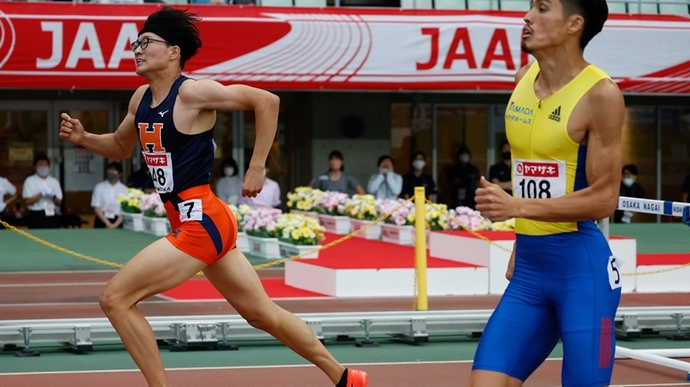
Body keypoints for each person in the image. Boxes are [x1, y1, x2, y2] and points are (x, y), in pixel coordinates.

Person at [58, 8, 367, 387]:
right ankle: (346, 377)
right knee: (262, 315)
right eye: (135, 43)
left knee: (115, 299)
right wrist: (85, 139)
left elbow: (266, 101)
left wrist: (258, 166)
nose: (136, 50)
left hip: (200, 220)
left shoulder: (191, 92)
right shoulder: (140, 98)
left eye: (145, 43)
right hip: (200, 221)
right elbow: (121, 147)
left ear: (173, 52)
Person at [471, 0, 625, 385]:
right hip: (529, 272)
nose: (527, 17)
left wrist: (515, 206)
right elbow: (533, 167)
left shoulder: (601, 94)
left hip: (582, 274)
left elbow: (605, 198)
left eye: (542, 8)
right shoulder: (524, 76)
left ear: (575, 24)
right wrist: (521, 242)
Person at [22, 154, 63, 229]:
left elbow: (59, 203)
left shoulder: (54, 181)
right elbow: (28, 201)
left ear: (49, 167)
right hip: (36, 214)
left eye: (45, 165)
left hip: (51, 213)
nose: (43, 167)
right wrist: (42, 193)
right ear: (35, 167)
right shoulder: (29, 180)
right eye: (40, 165)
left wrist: (53, 195)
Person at [92, 162, 129, 229]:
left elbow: (125, 210)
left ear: (120, 174)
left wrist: (115, 225)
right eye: (109, 170)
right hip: (101, 219)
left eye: (113, 170)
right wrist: (107, 223)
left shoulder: (125, 190)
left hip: (118, 221)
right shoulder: (99, 187)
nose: (111, 172)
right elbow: (96, 207)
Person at [446, 144, 480, 209]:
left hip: (471, 199)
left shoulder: (473, 169)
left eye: (466, 154)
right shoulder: (453, 169)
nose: (464, 156)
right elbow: (449, 184)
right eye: (462, 154)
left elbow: (477, 183)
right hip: (456, 199)